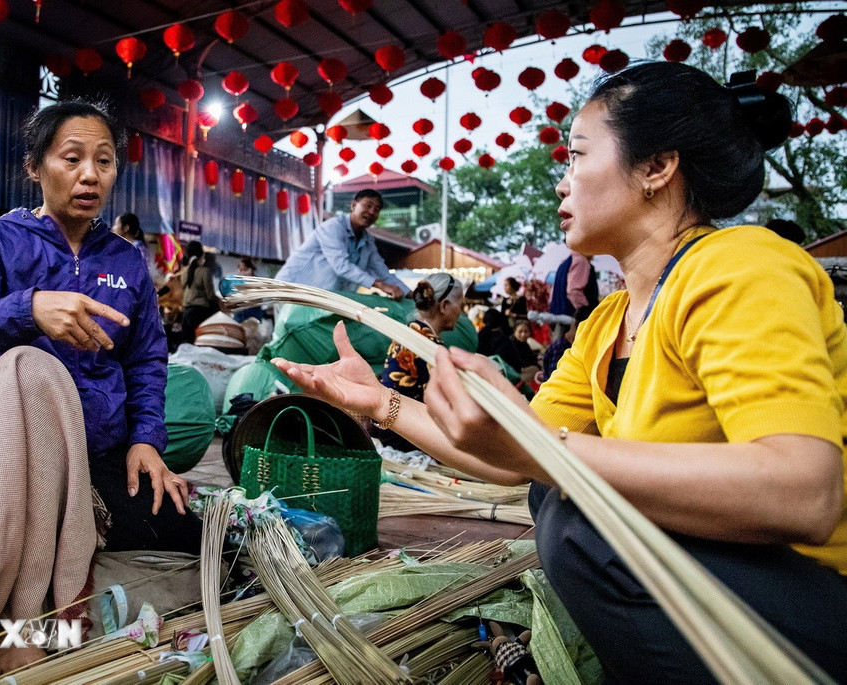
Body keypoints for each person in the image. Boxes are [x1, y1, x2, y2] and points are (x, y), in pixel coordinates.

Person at [271, 62, 847, 683]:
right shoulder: (608, 322)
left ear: (656, 167)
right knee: (553, 492)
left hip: (813, 593)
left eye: (577, 156)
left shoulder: (740, 266)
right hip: (724, 580)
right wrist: (380, 403)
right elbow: (511, 458)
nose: (562, 183)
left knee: (581, 524)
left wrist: (543, 450)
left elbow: (804, 494)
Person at [0, 101, 201, 678]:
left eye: (103, 161)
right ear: (35, 167)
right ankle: (18, 622)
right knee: (29, 367)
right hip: (5, 455)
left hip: (95, 458)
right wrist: (24, 310)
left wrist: (146, 440)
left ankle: (52, 571)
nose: (89, 176)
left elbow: (146, 361)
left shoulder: (126, 261)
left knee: (199, 539)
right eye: (71, 158)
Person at [377, 273, 462, 451]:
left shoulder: (409, 334)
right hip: (405, 438)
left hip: (389, 429)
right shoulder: (431, 348)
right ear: (445, 306)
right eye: (460, 305)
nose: (461, 312)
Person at [275, 189, 410, 299]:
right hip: (291, 293)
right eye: (368, 205)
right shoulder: (333, 227)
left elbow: (383, 273)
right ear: (353, 206)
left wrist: (410, 294)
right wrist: (378, 285)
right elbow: (341, 266)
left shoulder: (368, 242)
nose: (371, 212)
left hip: (322, 302)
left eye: (377, 209)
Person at [180, 240, 219, 344]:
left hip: (186, 314)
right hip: (200, 313)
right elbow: (210, 295)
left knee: (187, 346)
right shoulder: (205, 271)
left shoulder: (185, 271)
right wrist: (221, 302)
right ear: (201, 255)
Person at [548, 249, 598, 318]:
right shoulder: (581, 261)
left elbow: (552, 293)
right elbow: (573, 291)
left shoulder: (563, 264)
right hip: (572, 317)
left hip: (559, 316)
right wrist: (585, 311)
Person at [232, 257, 265, 323]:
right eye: (240, 270)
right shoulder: (237, 281)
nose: (242, 272)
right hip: (240, 315)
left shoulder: (258, 282)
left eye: (245, 270)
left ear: (251, 269)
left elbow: (259, 300)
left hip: (253, 314)